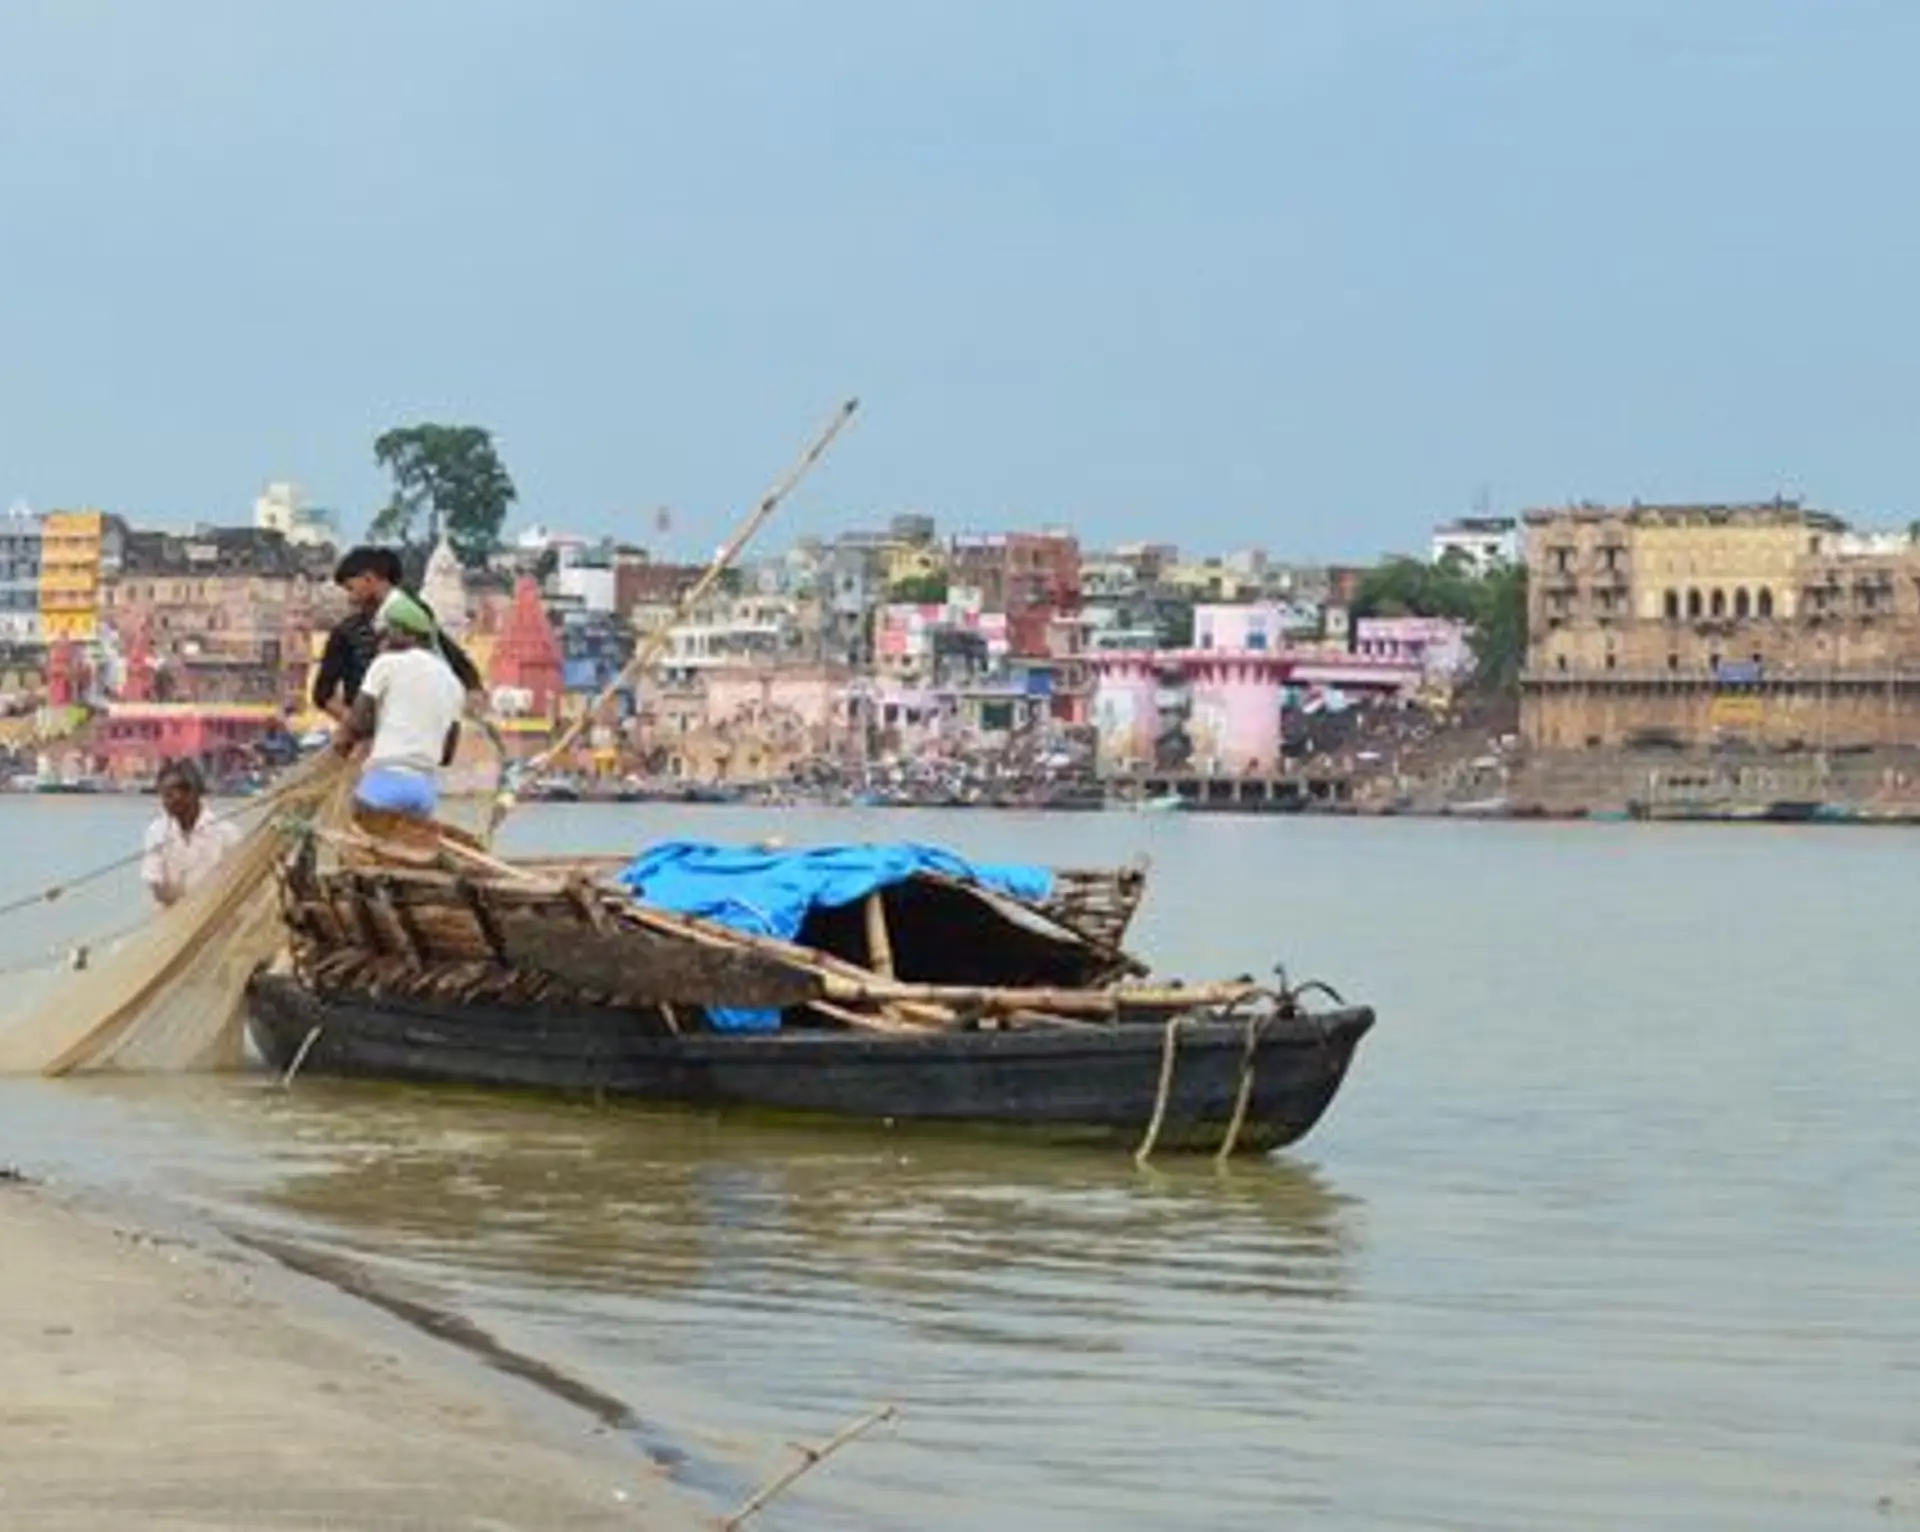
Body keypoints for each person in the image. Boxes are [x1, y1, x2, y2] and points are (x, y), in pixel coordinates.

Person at [334, 591, 467, 819]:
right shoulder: (453, 682)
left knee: (352, 837)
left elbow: (357, 723)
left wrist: (341, 746)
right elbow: (447, 755)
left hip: (385, 780)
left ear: (407, 634)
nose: (382, 642)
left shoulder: (386, 664)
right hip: (424, 790)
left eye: (387, 634)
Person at [311, 546, 483, 720]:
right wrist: (357, 726)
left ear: (368, 579)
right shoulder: (346, 632)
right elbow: (323, 695)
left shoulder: (415, 616)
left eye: (351, 588)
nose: (350, 597)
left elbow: (457, 662)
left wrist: (473, 695)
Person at [140, 760, 242, 908]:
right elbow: (155, 882)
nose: (165, 802)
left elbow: (237, 878)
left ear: (191, 793)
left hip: (216, 914)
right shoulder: (157, 832)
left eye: (170, 795)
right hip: (172, 917)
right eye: (163, 796)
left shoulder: (225, 832)